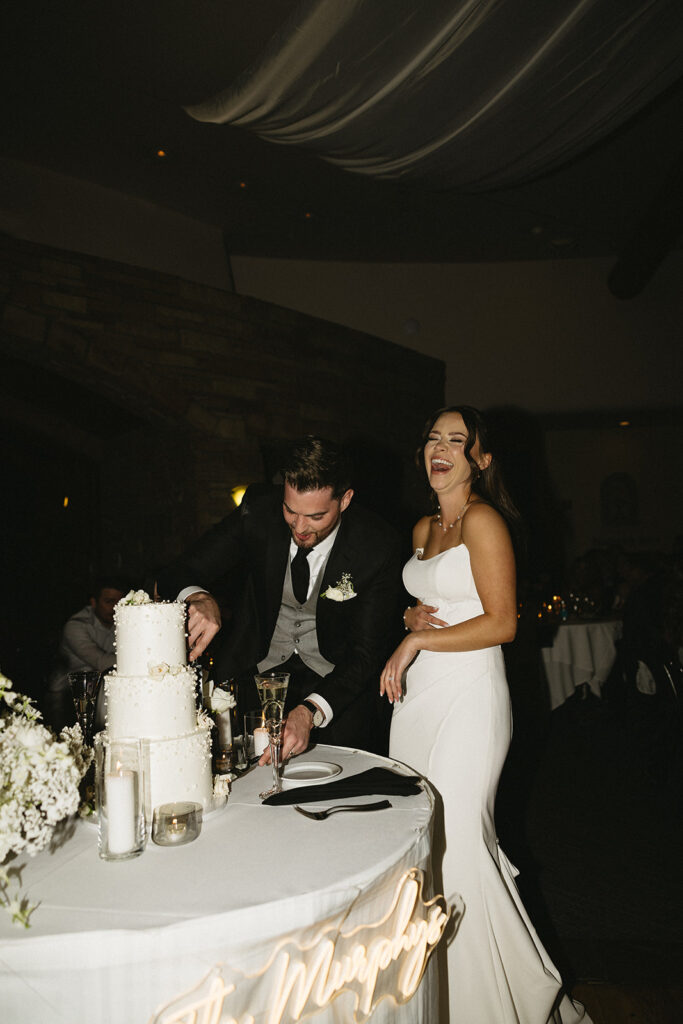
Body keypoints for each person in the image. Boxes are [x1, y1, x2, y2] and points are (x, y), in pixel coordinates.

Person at [380, 406, 591, 1024]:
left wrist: (415, 641)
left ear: (480, 459)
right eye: (432, 438)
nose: (440, 448)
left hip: (471, 698)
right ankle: (440, 993)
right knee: (426, 842)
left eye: (457, 440)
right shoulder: (423, 527)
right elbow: (429, 602)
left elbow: (502, 621)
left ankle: (501, 1003)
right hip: (419, 701)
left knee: (463, 841)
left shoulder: (484, 520)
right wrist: (407, 621)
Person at [156, 436, 402, 758]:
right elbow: (176, 572)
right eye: (290, 510)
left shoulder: (377, 545)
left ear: (344, 500)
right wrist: (200, 597)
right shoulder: (258, 510)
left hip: (336, 690)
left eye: (316, 517)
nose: (299, 527)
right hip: (255, 679)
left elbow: (365, 654)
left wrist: (309, 711)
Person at [46, 576, 128, 732]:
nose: (115, 608)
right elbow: (102, 662)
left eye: (119, 602)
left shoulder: (122, 622)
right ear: (93, 602)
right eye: (109, 601)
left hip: (101, 692)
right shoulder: (75, 626)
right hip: (65, 696)